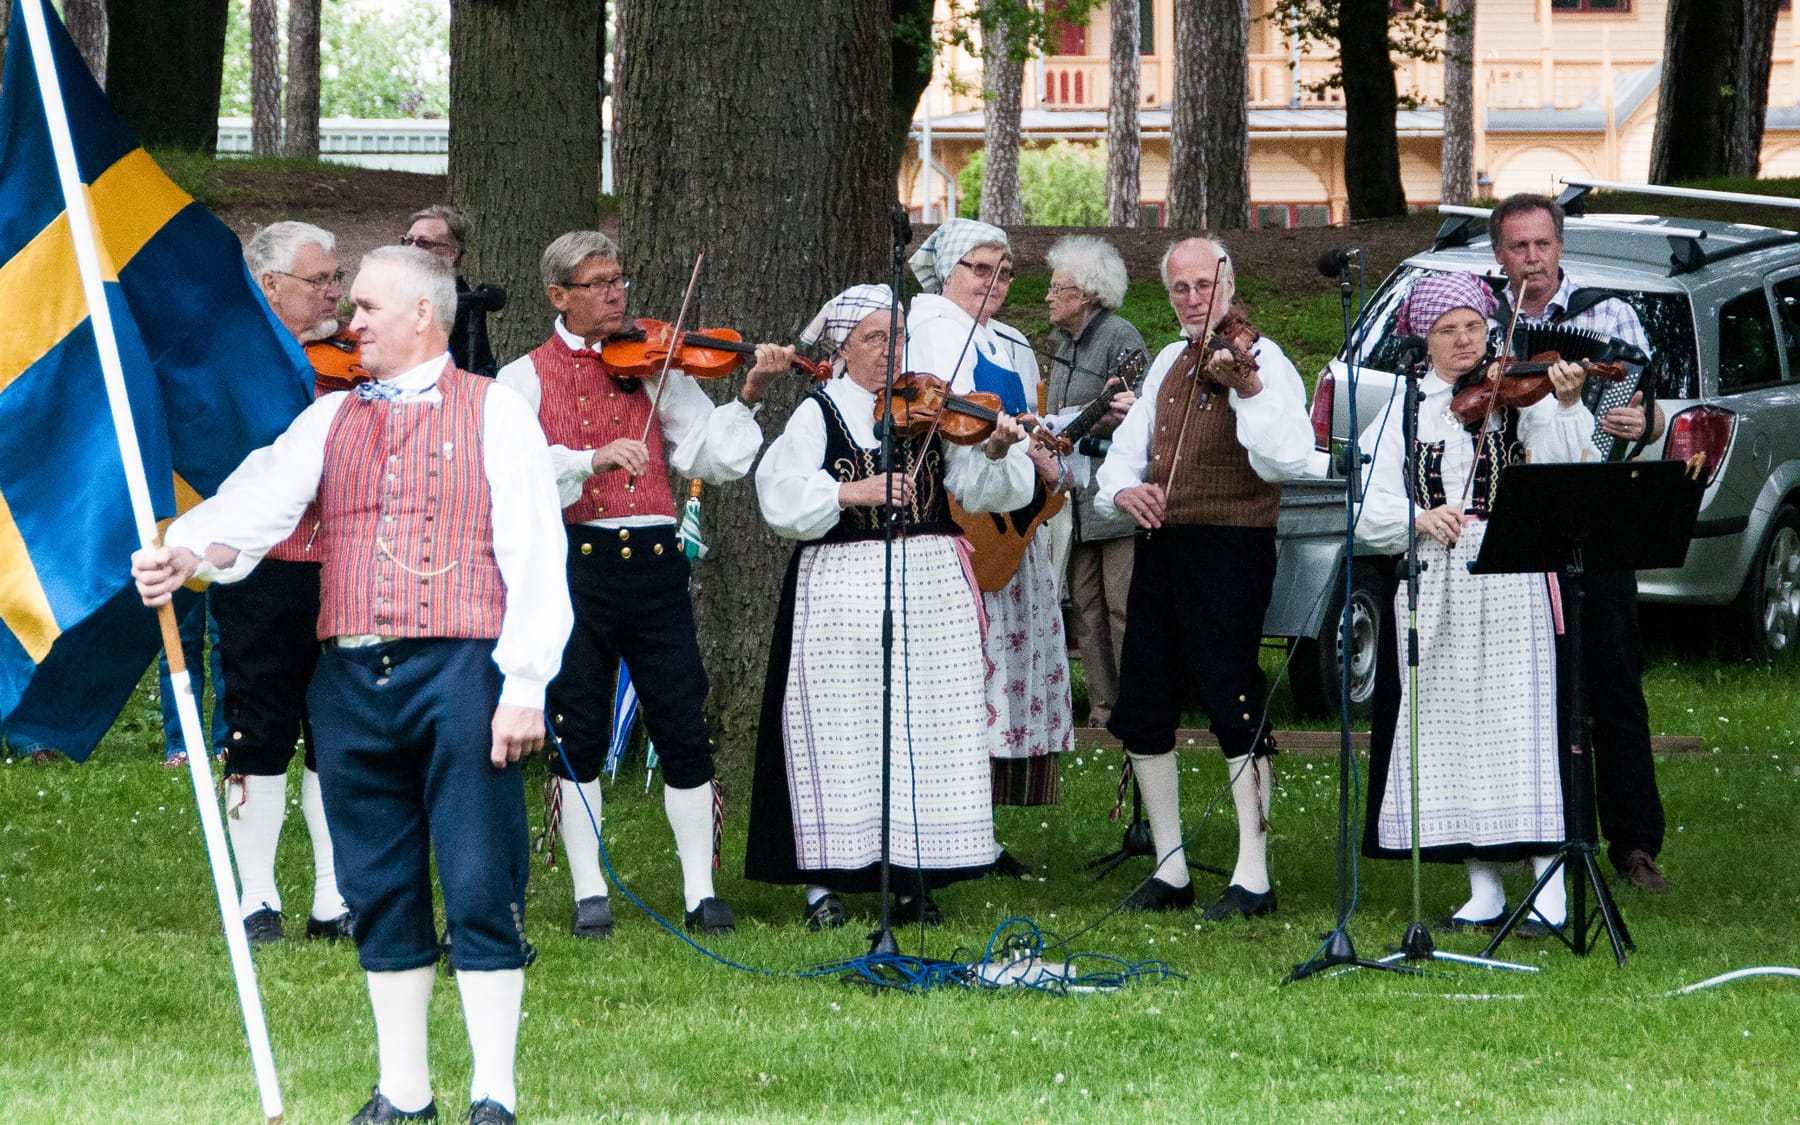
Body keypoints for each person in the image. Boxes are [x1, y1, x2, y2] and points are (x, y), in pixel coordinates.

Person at [132, 245, 571, 1125]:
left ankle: (495, 1093)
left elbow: (535, 546)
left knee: (479, 875)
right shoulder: (331, 418)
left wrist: (527, 681)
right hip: (350, 678)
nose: (351, 320)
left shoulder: (496, 411)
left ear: (422, 313)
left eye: (367, 306)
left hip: (462, 670)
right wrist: (186, 550)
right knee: (377, 883)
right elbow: (258, 501)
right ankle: (404, 1092)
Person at [498, 230, 786, 939]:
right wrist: (588, 458)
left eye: (619, 279)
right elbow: (513, 473)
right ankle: (589, 892)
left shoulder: (658, 367)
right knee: (577, 726)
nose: (616, 294)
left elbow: (709, 457)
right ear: (558, 295)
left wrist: (749, 395)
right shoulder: (521, 378)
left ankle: (700, 892)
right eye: (598, 283)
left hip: (656, 565)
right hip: (575, 565)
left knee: (683, 720)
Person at [746, 286, 1034, 928]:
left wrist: (994, 450)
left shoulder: (931, 409)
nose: (890, 351)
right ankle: (823, 882)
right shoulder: (819, 412)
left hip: (931, 588)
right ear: (843, 347)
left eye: (898, 337)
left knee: (923, 729)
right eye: (875, 338)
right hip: (841, 588)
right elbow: (779, 494)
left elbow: (980, 492)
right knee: (839, 728)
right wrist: (853, 492)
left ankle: (912, 876)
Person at [1357, 270, 1597, 934]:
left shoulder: (1522, 396)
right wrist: (1417, 516)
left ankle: (1549, 890)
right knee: (1452, 730)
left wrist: (1567, 407)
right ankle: (1484, 888)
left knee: (1522, 728)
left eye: (1474, 327)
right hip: (1437, 582)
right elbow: (1367, 501)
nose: (1465, 341)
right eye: (1448, 330)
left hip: (1513, 573)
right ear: (1425, 339)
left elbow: (1571, 472)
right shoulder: (1407, 409)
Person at [1093, 236, 1314, 919]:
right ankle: (1171, 868)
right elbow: (1122, 458)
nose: (1193, 299)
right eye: (1180, 288)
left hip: (1231, 547)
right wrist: (1124, 490)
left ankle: (1254, 875)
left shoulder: (1266, 359)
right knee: (1145, 700)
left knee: (1232, 697)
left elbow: (1288, 458)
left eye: (1204, 286)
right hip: (1162, 545)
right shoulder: (1167, 360)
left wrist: (1247, 388)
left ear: (1229, 286)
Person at [1488, 192, 1671, 895]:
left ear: (1560, 248)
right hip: (1517, 516)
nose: (1532, 259)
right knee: (1526, 686)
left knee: (1615, 676)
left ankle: (1635, 841)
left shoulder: (1609, 314)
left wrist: (1642, 425)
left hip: (1600, 512)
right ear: (1499, 255)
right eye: (1518, 247)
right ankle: (1539, 831)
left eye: (1543, 245)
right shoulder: (1488, 324)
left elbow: (1650, 408)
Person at [212, 220, 362, 945]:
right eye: (320, 280)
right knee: (259, 730)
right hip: (263, 569)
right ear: (269, 285)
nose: (336, 293)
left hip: (348, 568)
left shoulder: (360, 363)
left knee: (339, 733)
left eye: (337, 278)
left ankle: (334, 897)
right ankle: (257, 895)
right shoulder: (232, 362)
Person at [906, 218, 1073, 810]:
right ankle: (953, 810)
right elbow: (948, 426)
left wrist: (1042, 444)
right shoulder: (932, 326)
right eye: (980, 268)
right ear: (948, 272)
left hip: (1009, 523)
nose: (993, 282)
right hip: (961, 516)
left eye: (1004, 272)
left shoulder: (1008, 339)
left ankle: (987, 815)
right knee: (967, 674)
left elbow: (1022, 420)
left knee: (1008, 664)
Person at [1043, 235, 1144, 728]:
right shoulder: (1063, 346)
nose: (1047, 297)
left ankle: (1137, 708)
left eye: (1056, 288)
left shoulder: (1121, 337)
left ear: (1085, 293)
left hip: (1113, 498)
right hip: (1074, 500)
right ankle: (1103, 711)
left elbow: (1137, 413)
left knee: (1123, 606)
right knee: (1084, 607)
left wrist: (1102, 420)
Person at [403, 204, 501, 378]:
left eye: (424, 243)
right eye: (408, 241)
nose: (412, 249)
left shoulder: (463, 303)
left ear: (451, 253)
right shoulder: (400, 294)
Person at [156, 593, 227, 768]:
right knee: (179, 642)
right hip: (179, 577)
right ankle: (183, 746)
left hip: (227, 575)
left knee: (229, 639)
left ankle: (230, 741)